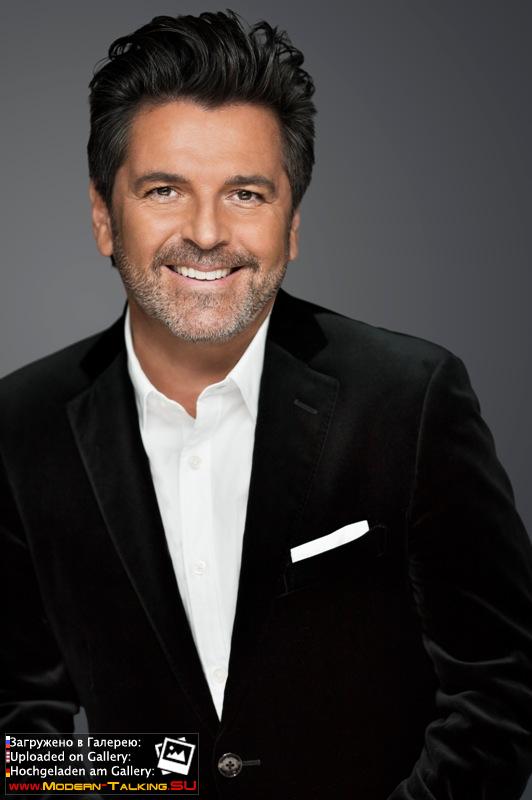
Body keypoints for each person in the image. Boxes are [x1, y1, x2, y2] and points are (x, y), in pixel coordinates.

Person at [1, 10, 531, 799]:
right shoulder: (21, 425)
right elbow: (19, 718)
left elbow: (502, 687)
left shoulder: (410, 398)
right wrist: (157, 779)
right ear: (104, 217)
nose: (206, 232)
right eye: (164, 190)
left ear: (293, 225)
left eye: (246, 193)